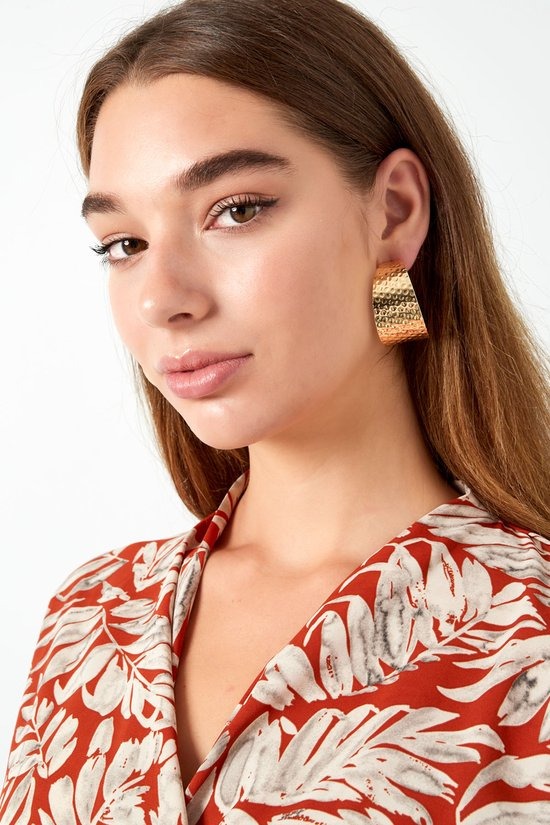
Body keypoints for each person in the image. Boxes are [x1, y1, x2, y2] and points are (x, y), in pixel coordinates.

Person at [2, 0, 549, 822]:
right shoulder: (89, 621)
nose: (161, 298)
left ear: (395, 212)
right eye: (125, 244)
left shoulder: (525, 634)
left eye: (236, 209)